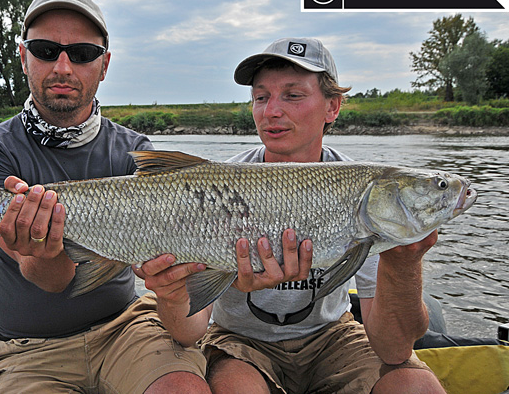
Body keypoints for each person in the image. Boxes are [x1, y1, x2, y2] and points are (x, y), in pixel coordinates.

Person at [137, 38, 446, 393]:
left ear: (332, 106)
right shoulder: (215, 186)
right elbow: (188, 332)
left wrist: (405, 264)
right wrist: (171, 295)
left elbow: (393, 351)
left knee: (417, 386)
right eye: (261, 97)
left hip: (332, 334)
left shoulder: (367, 191)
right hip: (240, 341)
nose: (270, 112)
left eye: (292, 95)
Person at [0, 0, 210, 393]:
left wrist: (173, 284)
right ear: (24, 57)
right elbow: (50, 279)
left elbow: (185, 318)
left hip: (127, 329)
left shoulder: (139, 153)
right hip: (27, 351)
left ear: (104, 65)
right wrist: (42, 248)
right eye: (45, 50)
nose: (63, 67)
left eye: (81, 53)